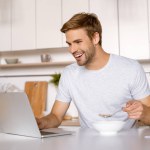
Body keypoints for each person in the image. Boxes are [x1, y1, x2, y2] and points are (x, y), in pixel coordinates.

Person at [37, 12, 150, 129]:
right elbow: (56, 116)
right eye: (69, 44)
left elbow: (149, 113)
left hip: (126, 144)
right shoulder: (69, 74)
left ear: (95, 38)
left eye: (78, 42)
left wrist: (143, 112)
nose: (72, 49)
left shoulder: (131, 68)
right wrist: (40, 122)